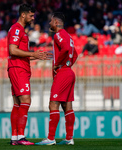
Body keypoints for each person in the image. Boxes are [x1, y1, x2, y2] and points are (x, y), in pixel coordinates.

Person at [7, 3, 50, 145]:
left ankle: (15, 137)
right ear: (23, 14)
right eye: (31, 15)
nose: (32, 18)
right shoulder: (17, 30)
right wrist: (32, 53)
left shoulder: (20, 30)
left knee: (17, 104)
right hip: (19, 69)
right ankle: (21, 137)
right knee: (26, 100)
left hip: (18, 67)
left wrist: (36, 56)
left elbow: (20, 54)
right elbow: (13, 50)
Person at [36, 12, 78, 145]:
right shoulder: (68, 36)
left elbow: (65, 49)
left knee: (53, 104)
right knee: (67, 106)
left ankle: (50, 138)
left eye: (51, 21)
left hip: (63, 73)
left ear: (56, 22)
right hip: (69, 72)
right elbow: (75, 54)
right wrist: (68, 64)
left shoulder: (58, 35)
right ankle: (69, 138)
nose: (49, 23)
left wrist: (58, 64)